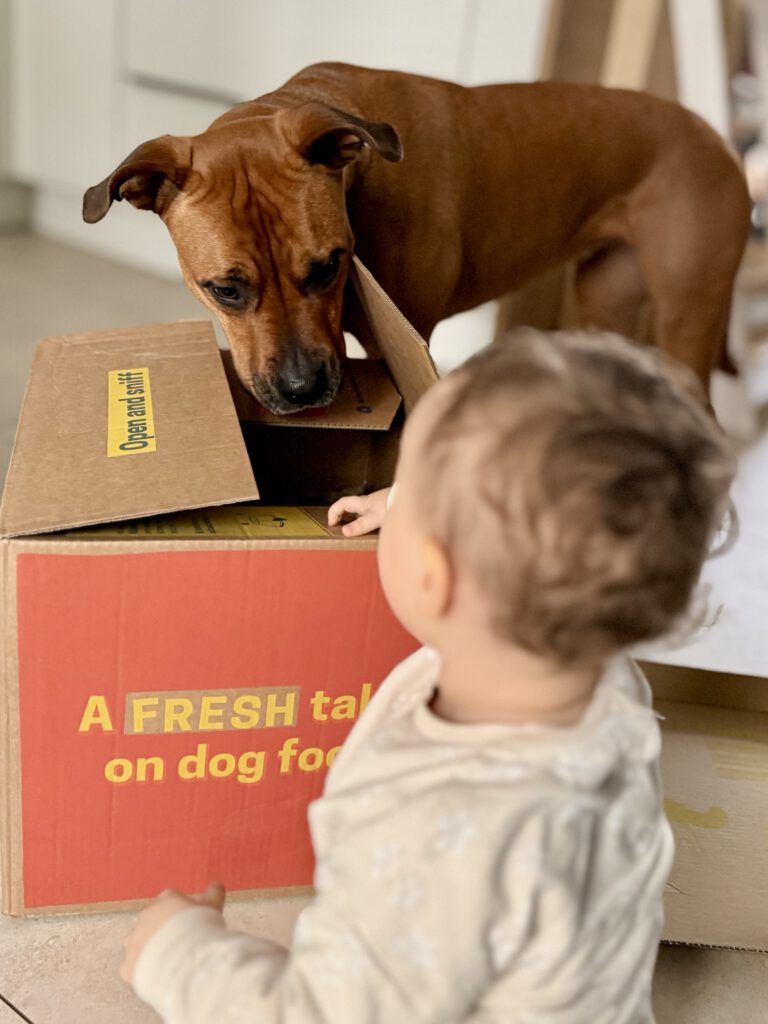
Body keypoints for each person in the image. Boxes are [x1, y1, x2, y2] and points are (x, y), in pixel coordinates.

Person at [121, 329, 734, 1023]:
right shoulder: (598, 668)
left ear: (435, 576)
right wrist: (409, 505)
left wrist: (179, 954)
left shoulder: (441, 833)